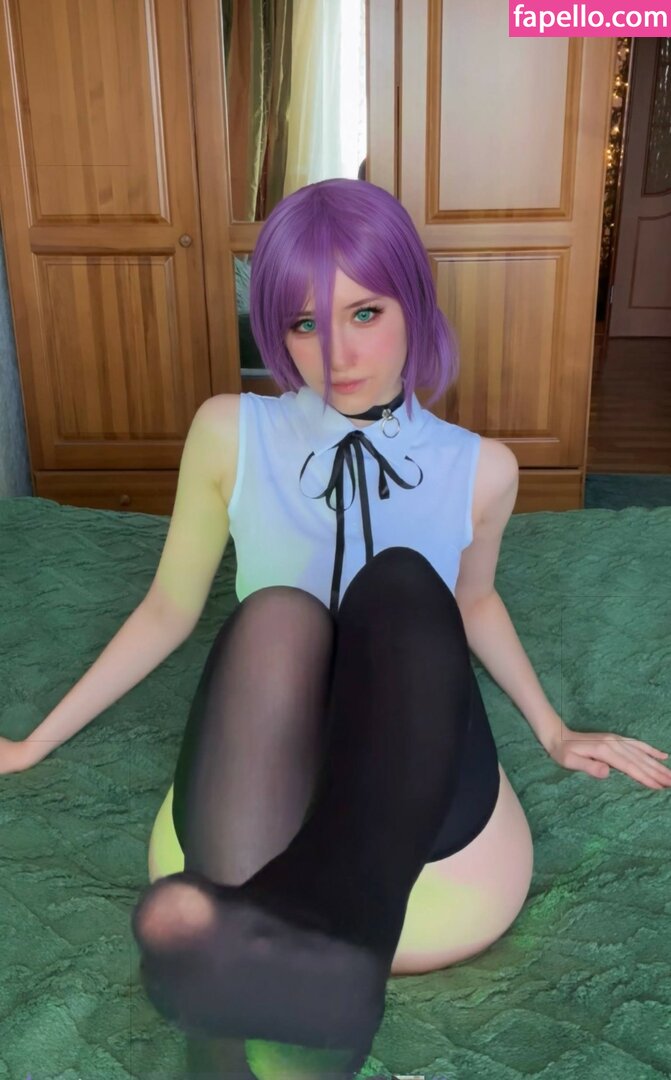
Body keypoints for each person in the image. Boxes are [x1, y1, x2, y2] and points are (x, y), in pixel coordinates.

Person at [4, 178, 669, 1080]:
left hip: (410, 776)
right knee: (278, 615)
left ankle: (334, 950)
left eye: (364, 312)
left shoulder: (482, 469)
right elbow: (169, 606)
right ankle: (242, 1035)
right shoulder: (229, 431)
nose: (338, 354)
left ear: (412, 305)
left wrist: (551, 730)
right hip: (264, 759)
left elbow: (473, 602)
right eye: (304, 323)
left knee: (402, 586)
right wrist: (35, 742)